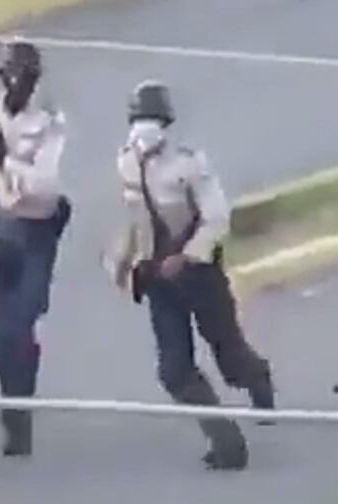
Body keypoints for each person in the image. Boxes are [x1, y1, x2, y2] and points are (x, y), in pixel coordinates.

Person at [109, 80, 275, 470]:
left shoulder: (189, 164)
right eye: (138, 122)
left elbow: (217, 218)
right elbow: (135, 222)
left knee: (230, 358)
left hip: (199, 275)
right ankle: (227, 443)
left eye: (151, 122)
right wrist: (124, 263)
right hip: (158, 281)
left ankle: (258, 377)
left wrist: (186, 256)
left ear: (165, 124)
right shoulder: (125, 163)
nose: (143, 132)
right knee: (174, 369)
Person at [0, 39, 71, 458]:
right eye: (6, 74)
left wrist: (5, 160)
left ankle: (18, 413)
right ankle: (15, 389)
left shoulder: (51, 122)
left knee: (20, 324)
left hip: (37, 230)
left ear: (34, 78)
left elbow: (45, 189)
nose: (12, 83)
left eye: (20, 75)